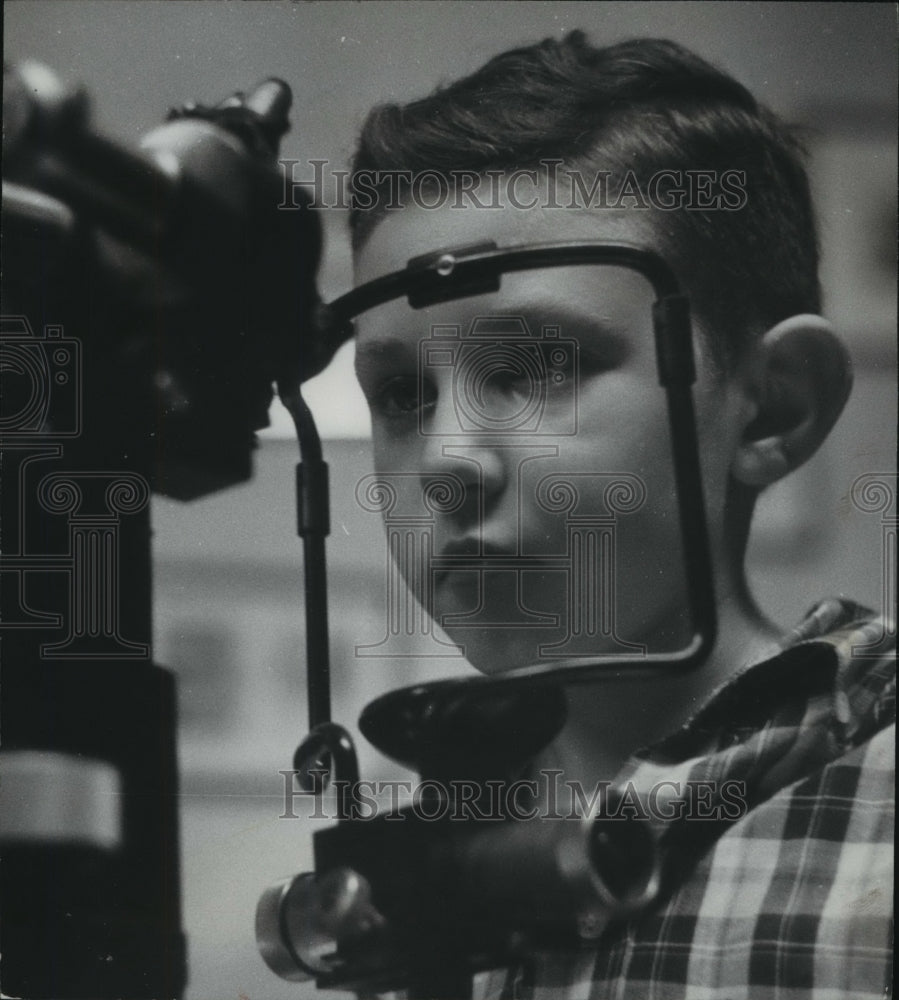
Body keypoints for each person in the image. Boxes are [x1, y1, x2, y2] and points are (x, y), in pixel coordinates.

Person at [341, 32, 894, 999]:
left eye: (537, 368)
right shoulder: (407, 885)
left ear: (771, 407)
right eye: (399, 395)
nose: (446, 461)